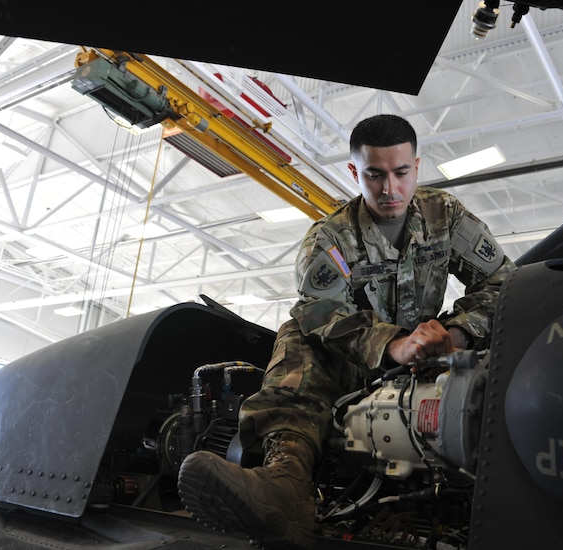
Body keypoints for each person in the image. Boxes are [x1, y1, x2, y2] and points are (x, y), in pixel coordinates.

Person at [177, 114, 516, 549]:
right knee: (298, 331)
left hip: (433, 358)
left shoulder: (444, 215)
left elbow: (503, 280)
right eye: (375, 175)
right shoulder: (330, 238)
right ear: (356, 172)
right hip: (356, 367)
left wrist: (457, 334)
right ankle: (287, 485)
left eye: (401, 173)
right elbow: (320, 310)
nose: (390, 188)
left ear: (417, 166)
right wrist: (391, 345)